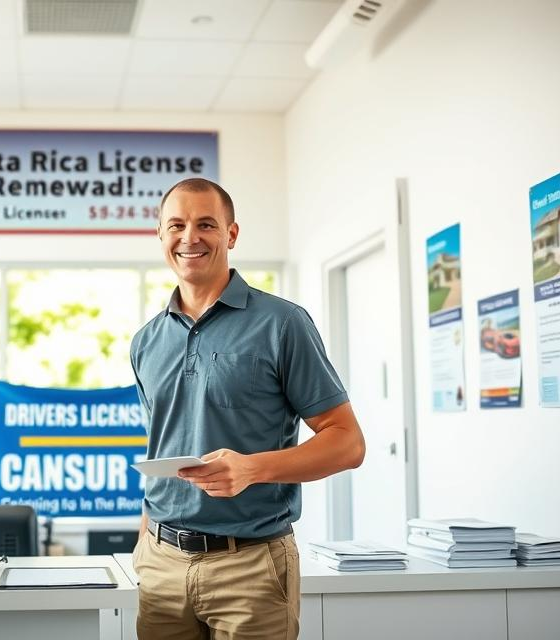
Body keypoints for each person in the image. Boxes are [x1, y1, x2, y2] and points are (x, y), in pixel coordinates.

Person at [130, 177, 366, 640]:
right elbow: (163, 444)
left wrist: (252, 469)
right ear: (161, 236)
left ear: (231, 234)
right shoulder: (146, 342)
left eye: (206, 224)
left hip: (251, 566)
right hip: (160, 564)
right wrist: (145, 542)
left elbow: (348, 442)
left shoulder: (282, 323)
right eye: (176, 225)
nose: (189, 237)